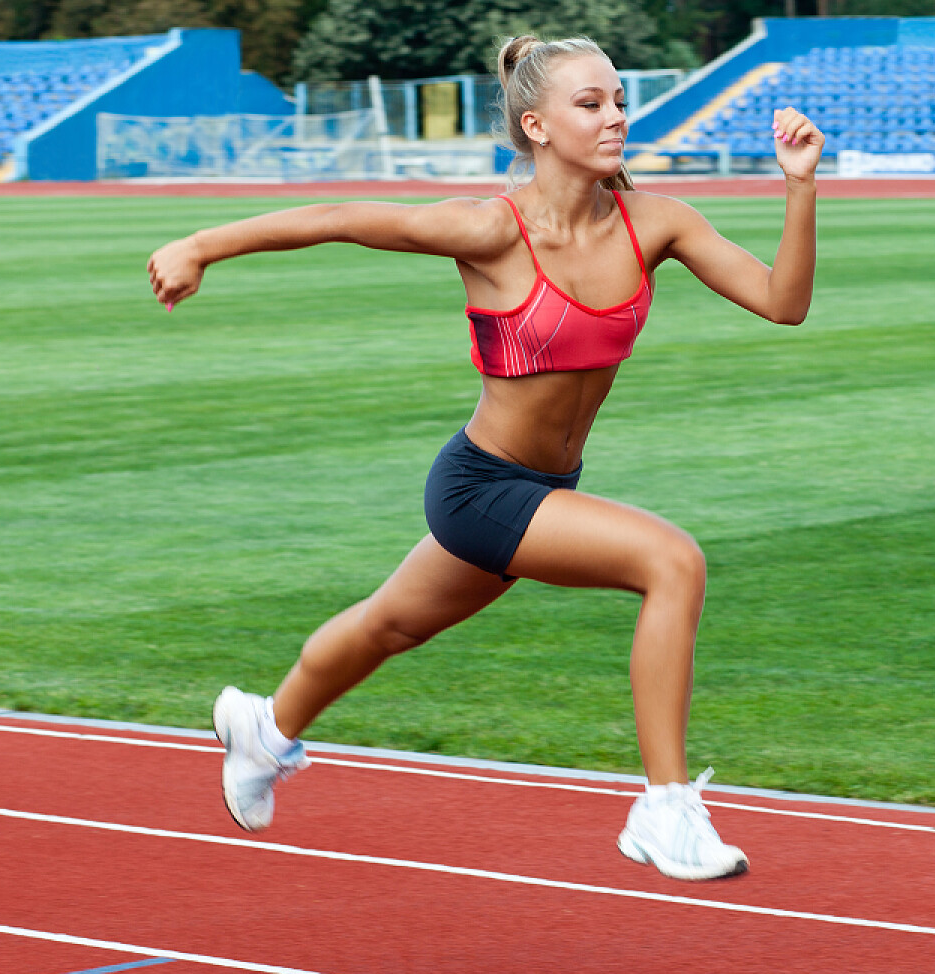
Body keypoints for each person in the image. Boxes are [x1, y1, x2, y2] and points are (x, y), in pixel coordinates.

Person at [147, 34, 822, 881]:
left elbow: (782, 302)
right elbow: (336, 221)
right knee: (671, 562)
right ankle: (666, 809)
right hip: (480, 487)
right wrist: (202, 245)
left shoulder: (657, 223)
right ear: (535, 124)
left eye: (618, 100)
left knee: (388, 625)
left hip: (545, 489)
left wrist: (798, 186)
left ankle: (265, 728)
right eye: (591, 104)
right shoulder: (490, 230)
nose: (615, 116)